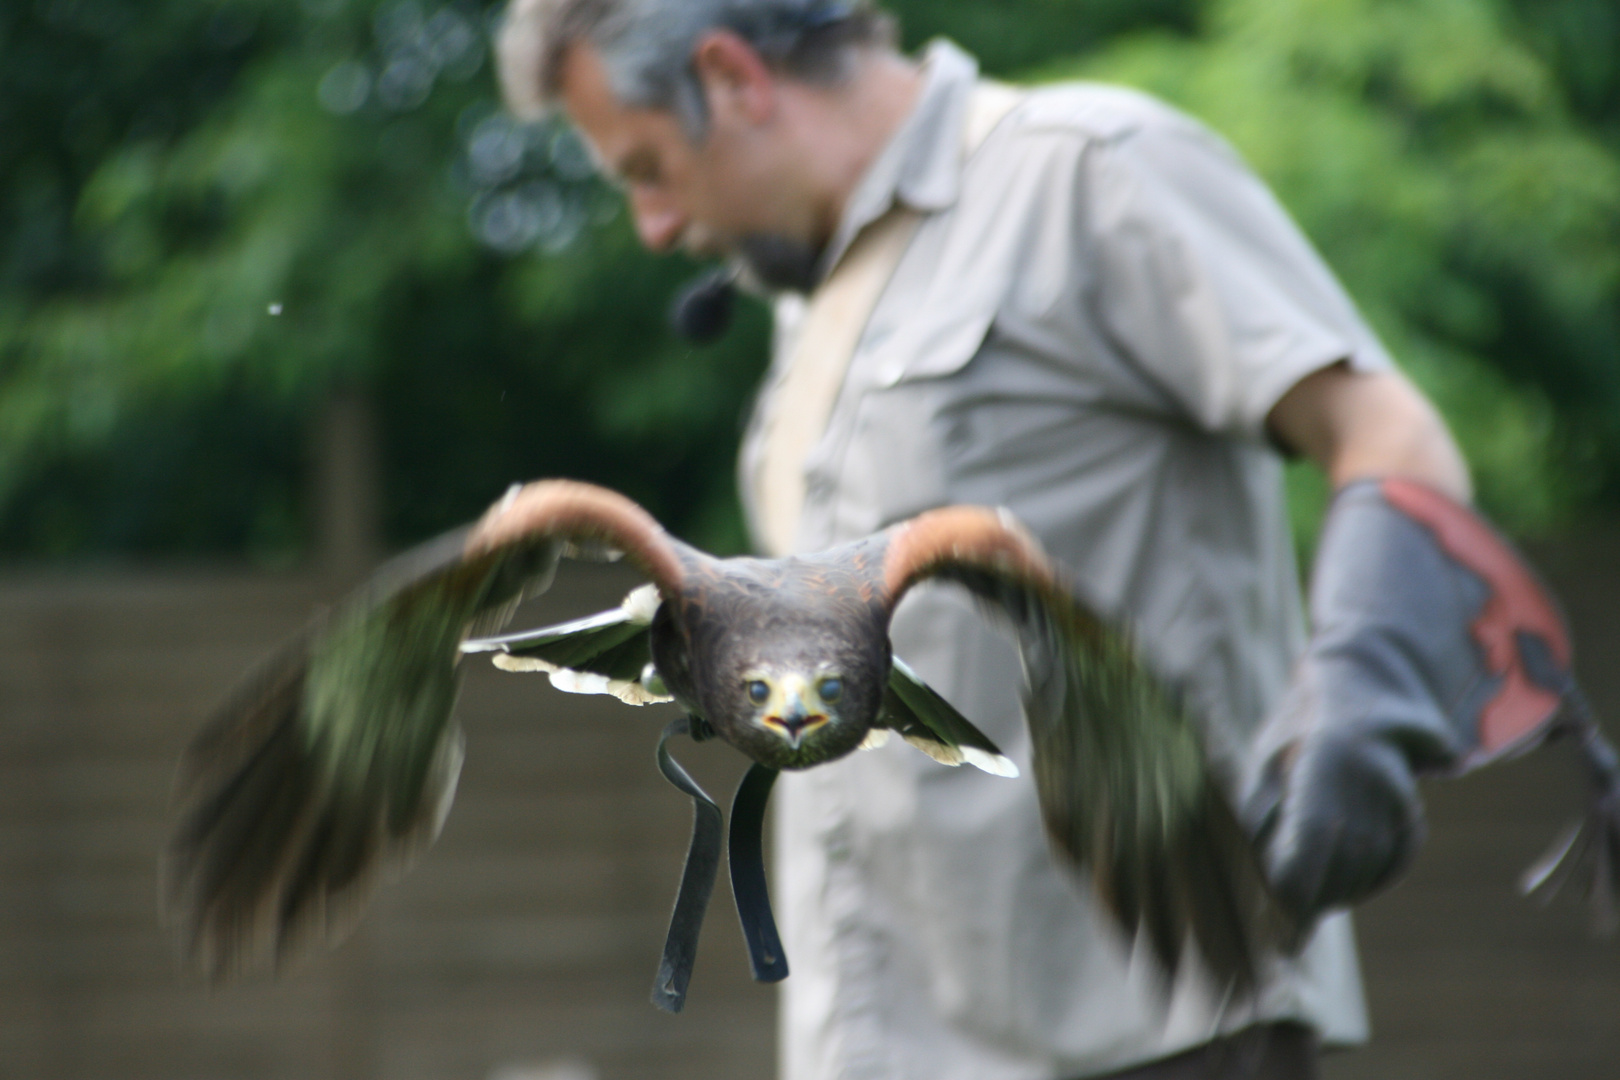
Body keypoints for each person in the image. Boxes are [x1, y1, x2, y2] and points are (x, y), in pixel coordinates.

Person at [494, 2, 1476, 1078]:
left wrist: (1371, 680)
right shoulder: (812, 303)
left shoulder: (1088, 173)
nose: (655, 226)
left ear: (732, 79)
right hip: (894, 1040)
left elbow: (1392, 435)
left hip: (1155, 1019)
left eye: (647, 167)